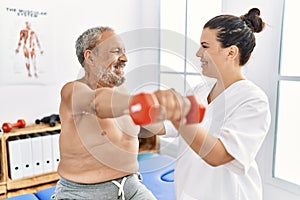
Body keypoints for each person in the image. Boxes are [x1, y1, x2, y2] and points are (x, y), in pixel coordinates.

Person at [151, 8, 271, 200]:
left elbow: (218, 155)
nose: (198, 53)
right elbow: (163, 128)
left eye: (205, 46)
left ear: (231, 52)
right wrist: (132, 109)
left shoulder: (253, 100)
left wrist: (178, 114)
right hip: (188, 193)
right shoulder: (199, 91)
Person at [52, 26, 162, 200]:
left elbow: (158, 127)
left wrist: (173, 111)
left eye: (124, 52)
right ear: (90, 57)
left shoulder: (124, 91)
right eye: (116, 51)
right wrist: (139, 102)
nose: (125, 58)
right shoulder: (72, 91)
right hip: (81, 195)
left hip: (131, 188)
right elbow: (97, 102)